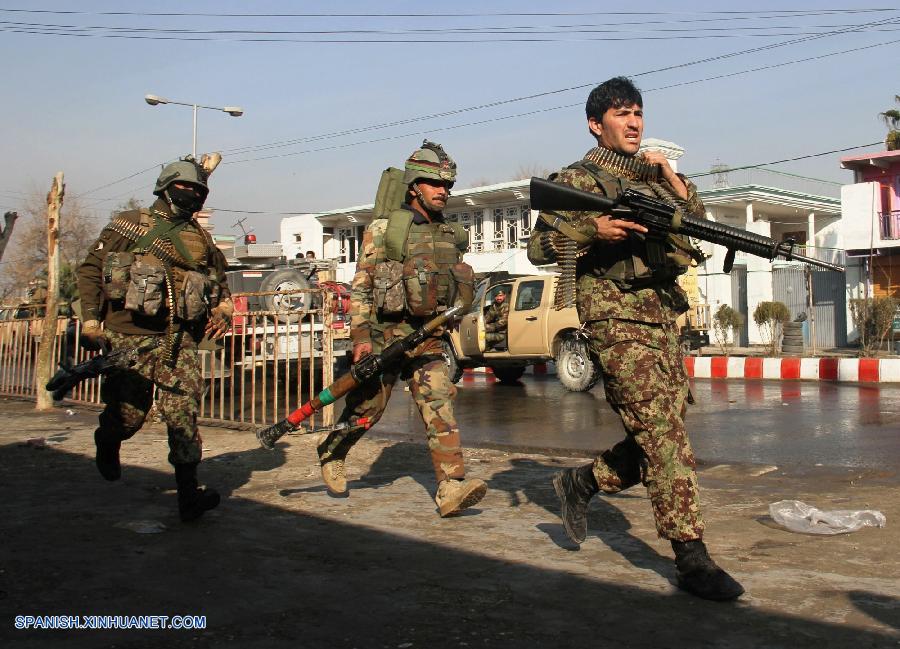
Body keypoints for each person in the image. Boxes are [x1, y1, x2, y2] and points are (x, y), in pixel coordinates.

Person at [527, 77, 744, 601]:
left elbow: (695, 229)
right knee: (664, 436)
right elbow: (539, 247)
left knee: (663, 426)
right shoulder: (577, 179)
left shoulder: (654, 180)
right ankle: (692, 559)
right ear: (595, 124)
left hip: (659, 314)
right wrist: (590, 231)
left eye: (638, 112)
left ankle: (582, 483)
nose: (633, 122)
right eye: (621, 113)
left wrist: (671, 177)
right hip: (612, 316)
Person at [315, 140, 487, 517]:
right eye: (434, 183)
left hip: (426, 338)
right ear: (414, 186)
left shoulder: (449, 235)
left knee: (439, 402)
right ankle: (333, 451)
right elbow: (361, 286)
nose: (443, 191)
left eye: (447, 185)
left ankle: (450, 488)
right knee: (367, 411)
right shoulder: (384, 230)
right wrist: (360, 337)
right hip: (383, 337)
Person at [76, 153, 233, 522]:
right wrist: (89, 322)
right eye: (185, 187)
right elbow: (90, 271)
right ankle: (109, 438)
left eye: (199, 189)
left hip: (179, 340)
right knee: (130, 416)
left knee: (184, 416)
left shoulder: (200, 239)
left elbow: (219, 284)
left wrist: (224, 310)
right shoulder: (128, 225)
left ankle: (188, 495)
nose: (192, 194)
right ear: (165, 188)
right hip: (129, 337)